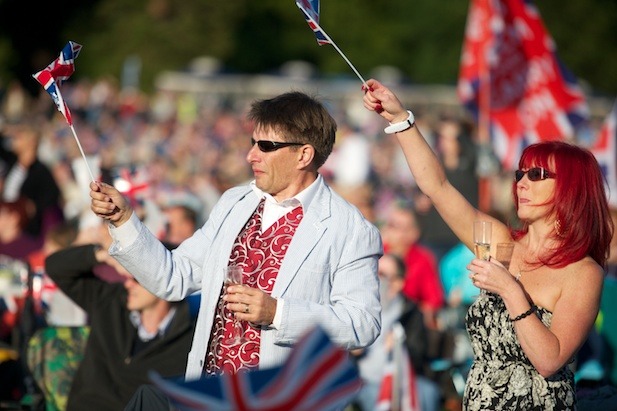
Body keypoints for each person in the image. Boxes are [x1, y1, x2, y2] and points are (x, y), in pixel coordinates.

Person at [89, 91, 382, 381]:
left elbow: (362, 323)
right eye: (252, 142)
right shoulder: (235, 202)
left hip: (282, 396)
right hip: (211, 392)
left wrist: (278, 313)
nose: (250, 155)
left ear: (304, 155)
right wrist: (123, 220)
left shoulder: (351, 229)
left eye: (266, 146)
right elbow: (173, 277)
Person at [362, 79, 612, 410]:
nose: (521, 182)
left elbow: (549, 360)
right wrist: (400, 120)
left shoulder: (582, 272)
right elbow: (437, 187)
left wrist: (510, 290)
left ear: (570, 189)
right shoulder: (499, 241)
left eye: (536, 175)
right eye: (520, 174)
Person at [45, 241, 196, 411]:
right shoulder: (110, 301)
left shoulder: (192, 336)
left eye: (137, 278)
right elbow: (55, 267)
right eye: (129, 276)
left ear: (165, 280)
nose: (128, 284)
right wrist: (104, 255)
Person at [352, 253, 441, 411]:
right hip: (362, 379)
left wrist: (400, 346)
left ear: (398, 282)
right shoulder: (357, 308)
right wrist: (353, 352)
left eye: (381, 274)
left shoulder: (410, 311)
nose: (375, 278)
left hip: (401, 378)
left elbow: (419, 355)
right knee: (375, 397)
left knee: (427, 392)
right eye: (372, 272)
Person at [381, 201, 445, 330]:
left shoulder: (422, 259)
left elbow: (433, 300)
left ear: (414, 233)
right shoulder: (377, 255)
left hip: (408, 323)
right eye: (390, 225)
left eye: (397, 227)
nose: (390, 230)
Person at [0, 122, 64, 241]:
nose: (13, 141)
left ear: (30, 141)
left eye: (18, 137)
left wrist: (32, 207)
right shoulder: (12, 161)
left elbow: (52, 196)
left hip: (21, 230)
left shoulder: (40, 171)